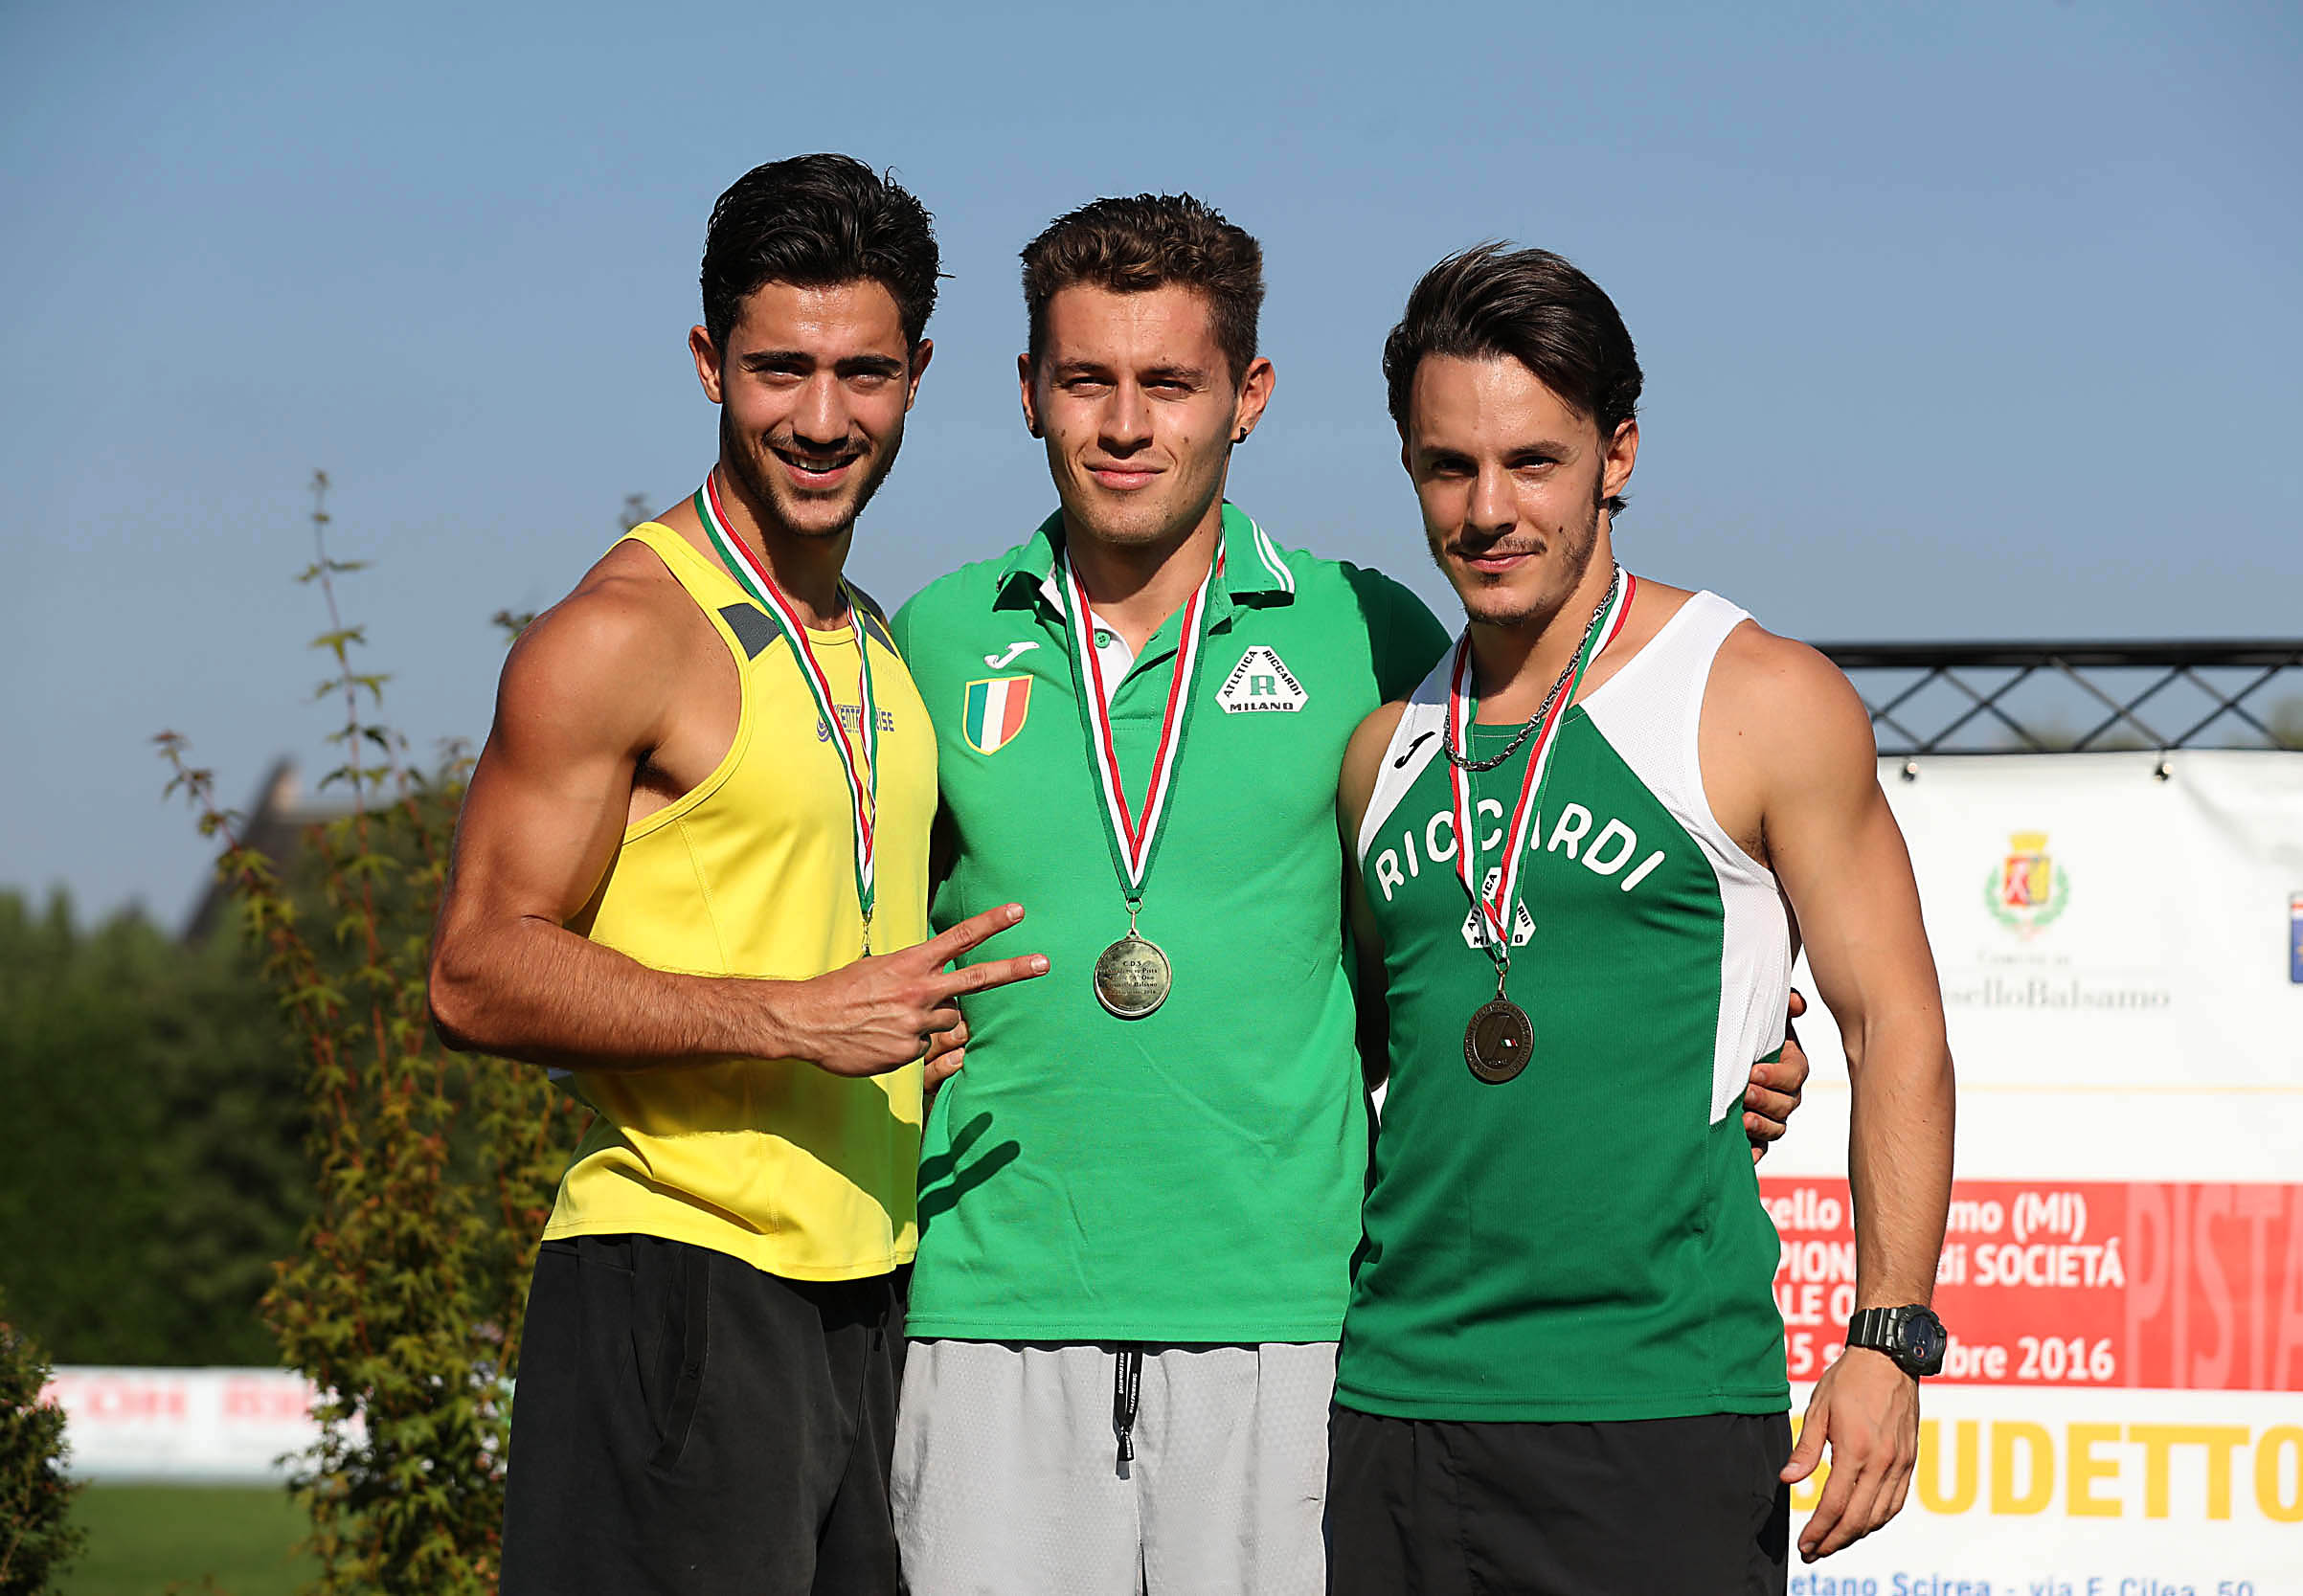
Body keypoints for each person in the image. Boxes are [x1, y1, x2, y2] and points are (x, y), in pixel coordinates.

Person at [885, 196, 1814, 1596]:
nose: (1126, 425)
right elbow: (868, 956)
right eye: (1085, 380)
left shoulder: (1372, 633)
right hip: (988, 1312)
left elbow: (1471, 940)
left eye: (1170, 382)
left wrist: (1734, 1036)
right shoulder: (937, 636)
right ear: (1027, 391)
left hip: (1296, 1318)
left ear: (1249, 395)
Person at [426, 154, 1049, 1596]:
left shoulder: (878, 645)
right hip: (678, 1283)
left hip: (868, 1297)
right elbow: (473, 970)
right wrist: (791, 1017)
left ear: (918, 376)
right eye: (781, 369)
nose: (823, 420)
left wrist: (907, 1030)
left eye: (864, 373)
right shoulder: (619, 631)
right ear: (710, 362)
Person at [1327, 242, 1957, 1595]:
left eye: (1534, 462)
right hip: (1393, 1406)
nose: (1489, 510)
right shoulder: (1381, 750)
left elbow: (1892, 1022)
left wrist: (1889, 1337)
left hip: (1659, 1410)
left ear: (1617, 455)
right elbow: (1373, 1056)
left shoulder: (1758, 696)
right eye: (1448, 467)